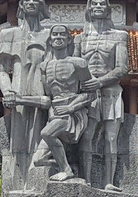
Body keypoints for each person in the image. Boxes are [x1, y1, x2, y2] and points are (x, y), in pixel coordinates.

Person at [11, 25, 98, 182]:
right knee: (38, 160)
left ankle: (67, 170)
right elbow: (48, 99)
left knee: (46, 133)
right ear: (50, 40)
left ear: (69, 39)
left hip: (73, 113)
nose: (58, 37)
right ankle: (69, 165)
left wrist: (71, 107)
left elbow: (92, 93)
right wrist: (19, 99)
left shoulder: (79, 63)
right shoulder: (44, 66)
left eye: (62, 35)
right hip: (55, 114)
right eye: (55, 35)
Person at [0, 0, 50, 190]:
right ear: (21, 5)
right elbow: (1, 70)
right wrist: (7, 91)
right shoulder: (9, 34)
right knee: (17, 142)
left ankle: (38, 186)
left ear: (41, 4)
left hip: (42, 90)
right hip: (17, 90)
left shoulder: (49, 35)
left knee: (40, 138)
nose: (31, 2)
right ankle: (17, 186)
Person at [75, 0, 129, 191]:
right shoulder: (80, 39)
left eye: (102, 4)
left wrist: (100, 82)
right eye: (94, 3)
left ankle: (109, 181)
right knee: (87, 135)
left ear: (108, 9)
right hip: (87, 93)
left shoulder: (119, 36)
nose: (98, 6)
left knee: (111, 138)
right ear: (89, 9)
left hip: (111, 91)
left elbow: (121, 68)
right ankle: (86, 180)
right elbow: (73, 65)